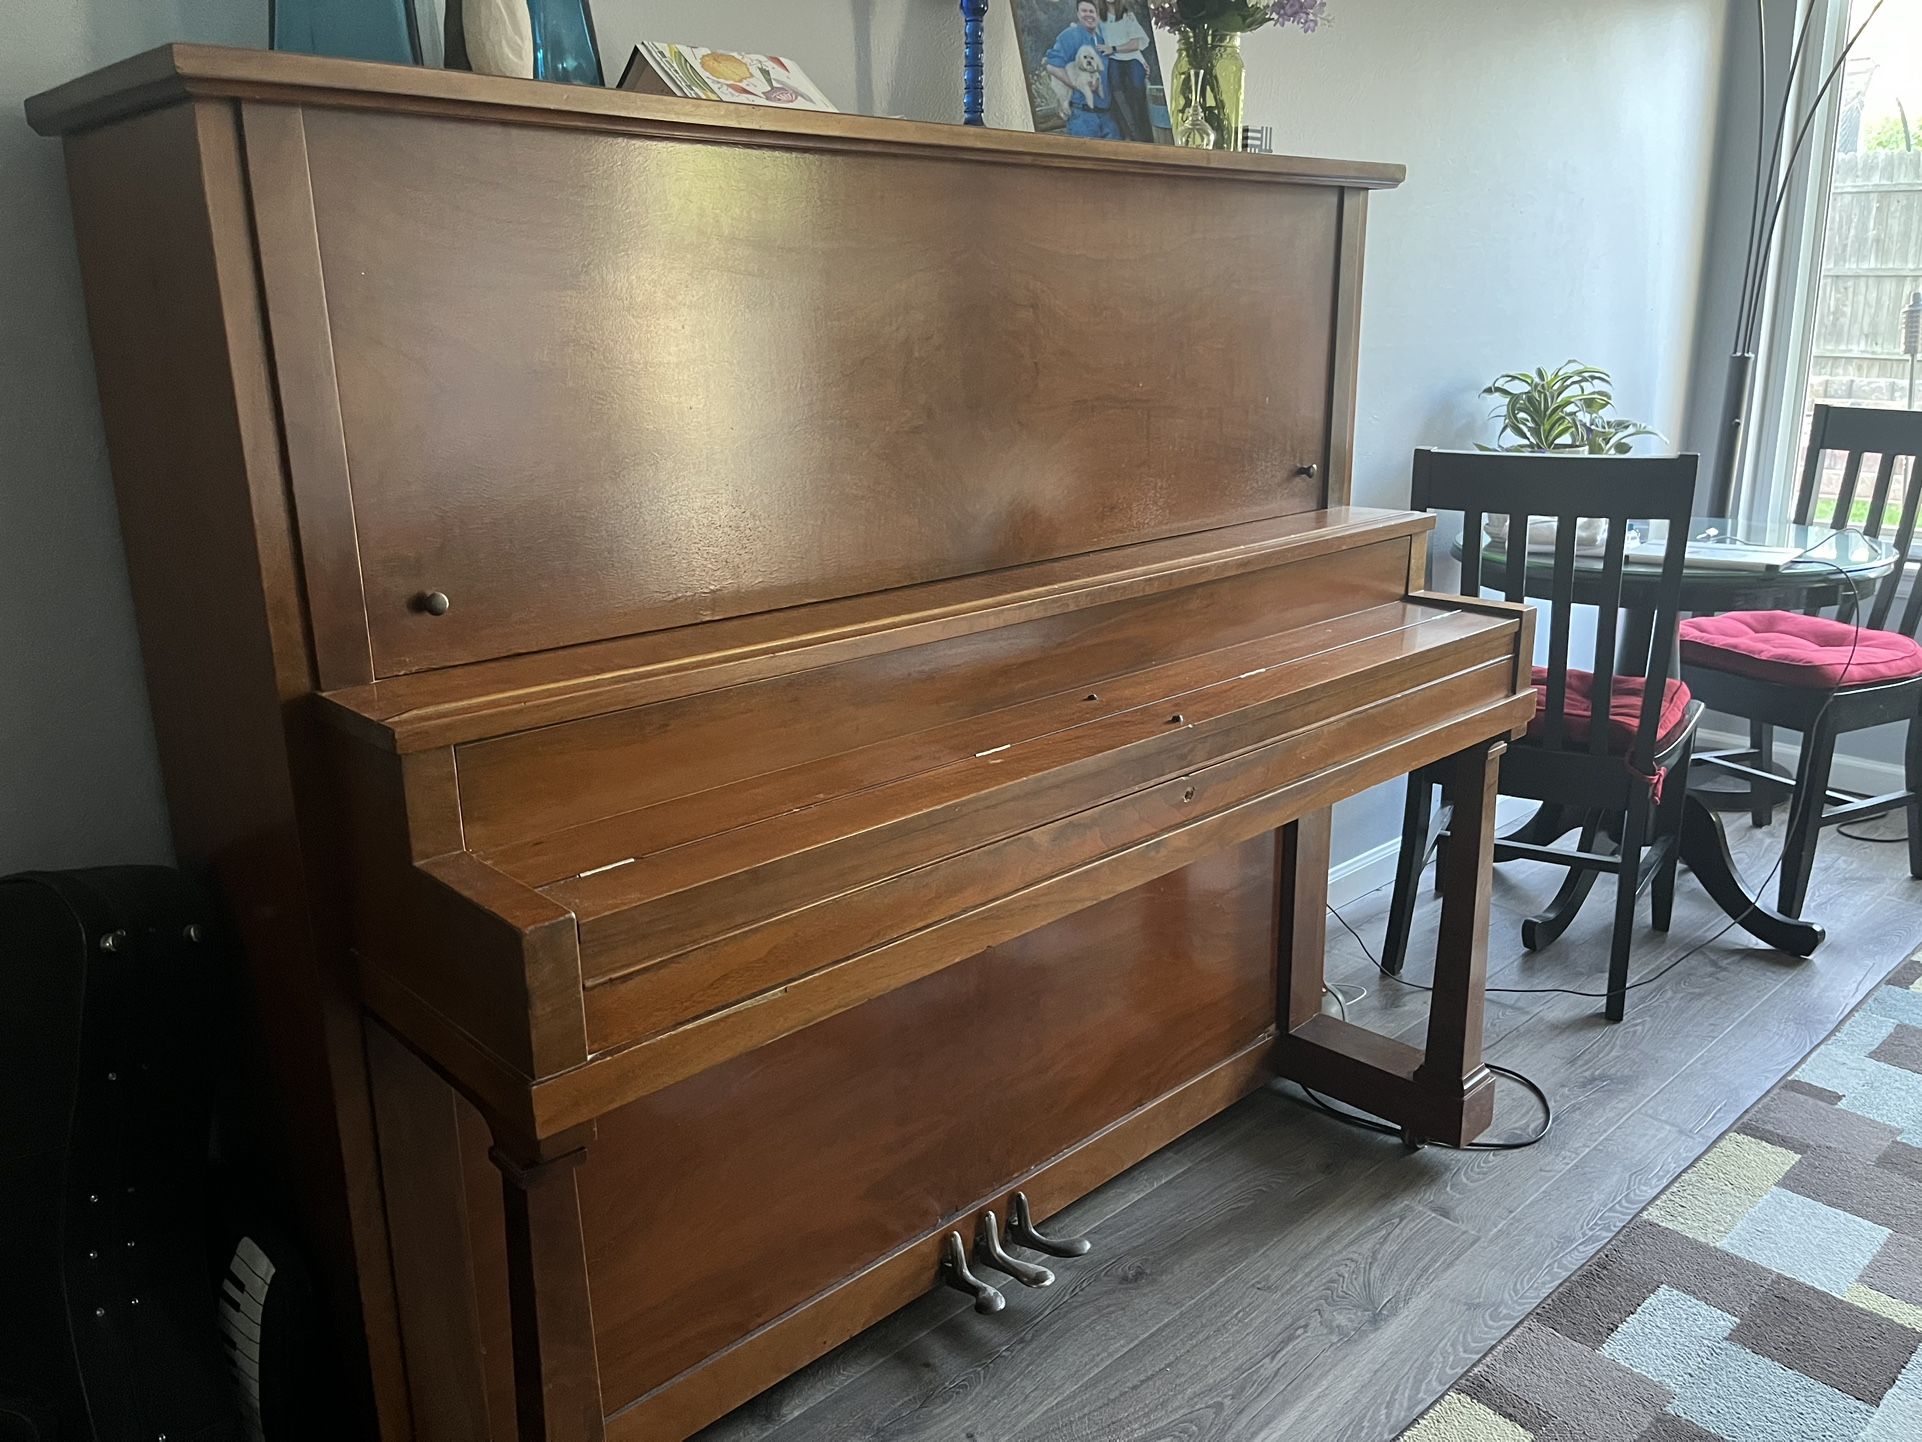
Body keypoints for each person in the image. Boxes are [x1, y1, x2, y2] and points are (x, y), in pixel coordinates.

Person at [1045, 1, 1119, 141]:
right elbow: (1052, 67)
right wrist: (1078, 85)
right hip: (1082, 115)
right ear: (1078, 14)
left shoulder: (1101, 39)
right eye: (1084, 11)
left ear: (1098, 15)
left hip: (1107, 115)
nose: (1088, 15)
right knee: (1088, 161)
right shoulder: (1069, 36)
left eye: (1092, 11)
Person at [1098, 0, 1153, 143]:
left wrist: (1114, 48)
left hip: (1131, 57)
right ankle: (1131, 133)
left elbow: (1136, 43)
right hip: (1113, 60)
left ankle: (1145, 134)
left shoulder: (1127, 15)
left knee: (1137, 86)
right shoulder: (1099, 17)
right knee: (1116, 88)